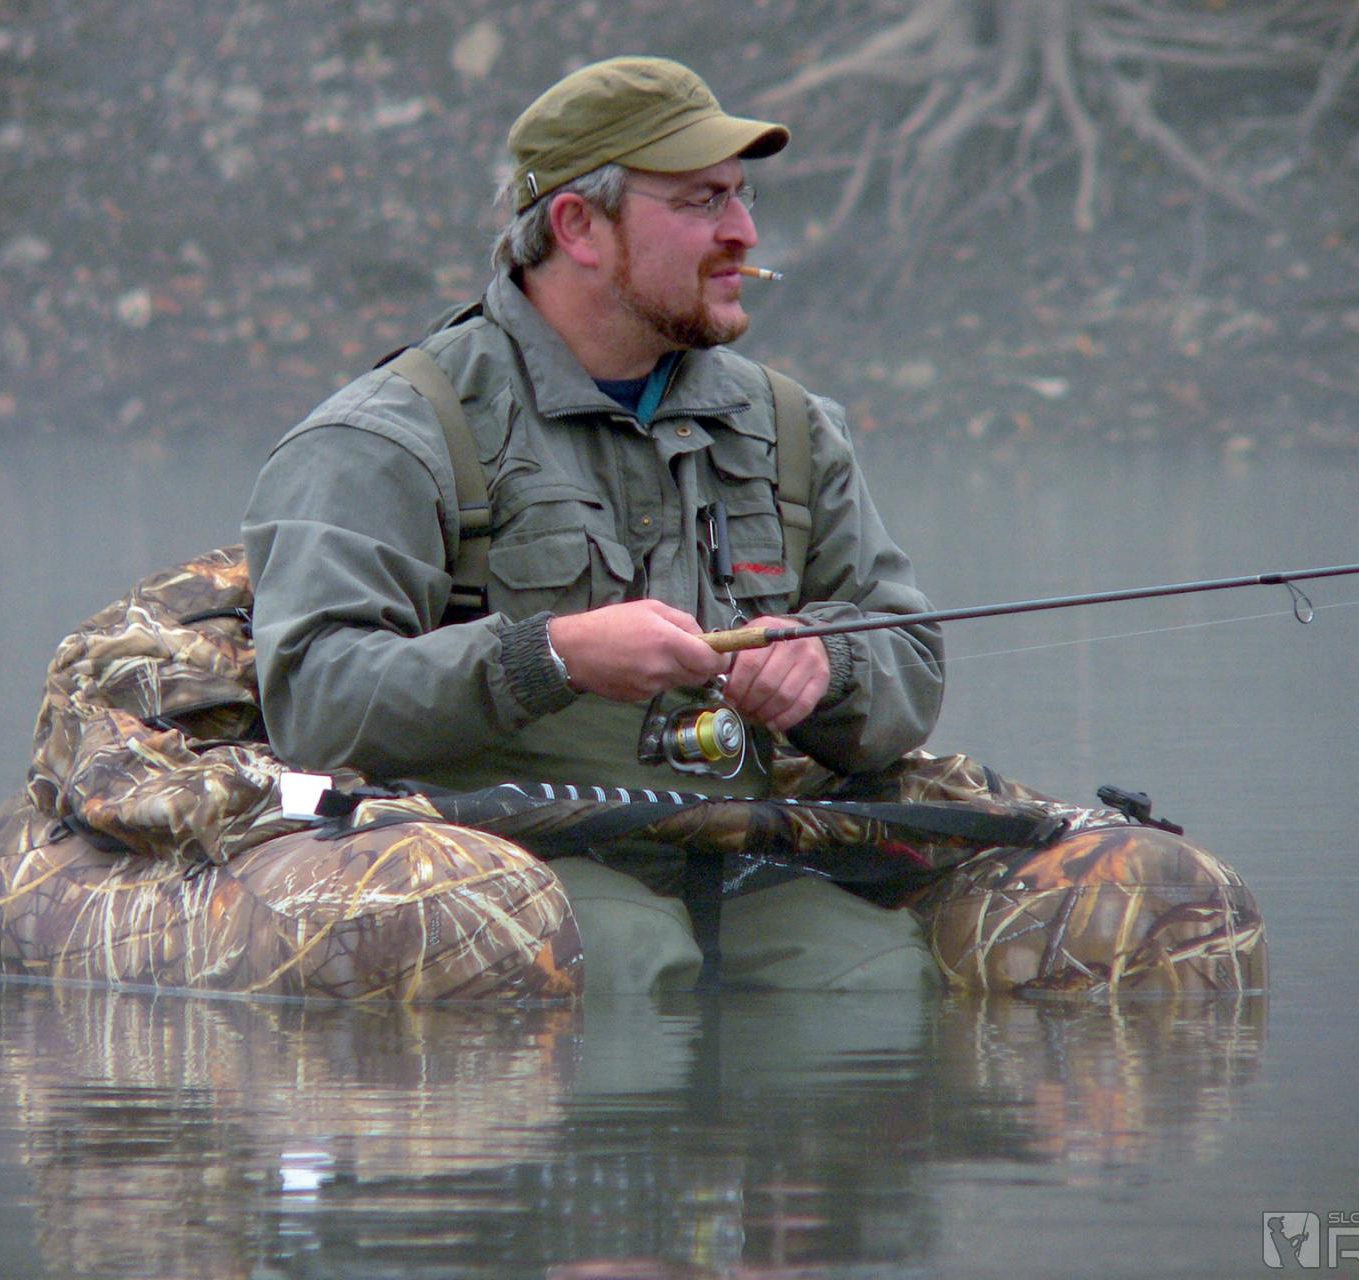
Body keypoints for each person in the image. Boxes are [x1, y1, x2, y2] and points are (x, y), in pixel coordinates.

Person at [242, 56, 945, 993]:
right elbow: (315, 701)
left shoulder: (790, 428)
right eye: (701, 201)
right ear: (578, 226)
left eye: (742, 196)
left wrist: (829, 663)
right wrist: (552, 657)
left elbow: (912, 661)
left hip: (733, 856)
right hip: (493, 864)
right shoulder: (389, 435)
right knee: (628, 959)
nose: (742, 231)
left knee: (871, 975)